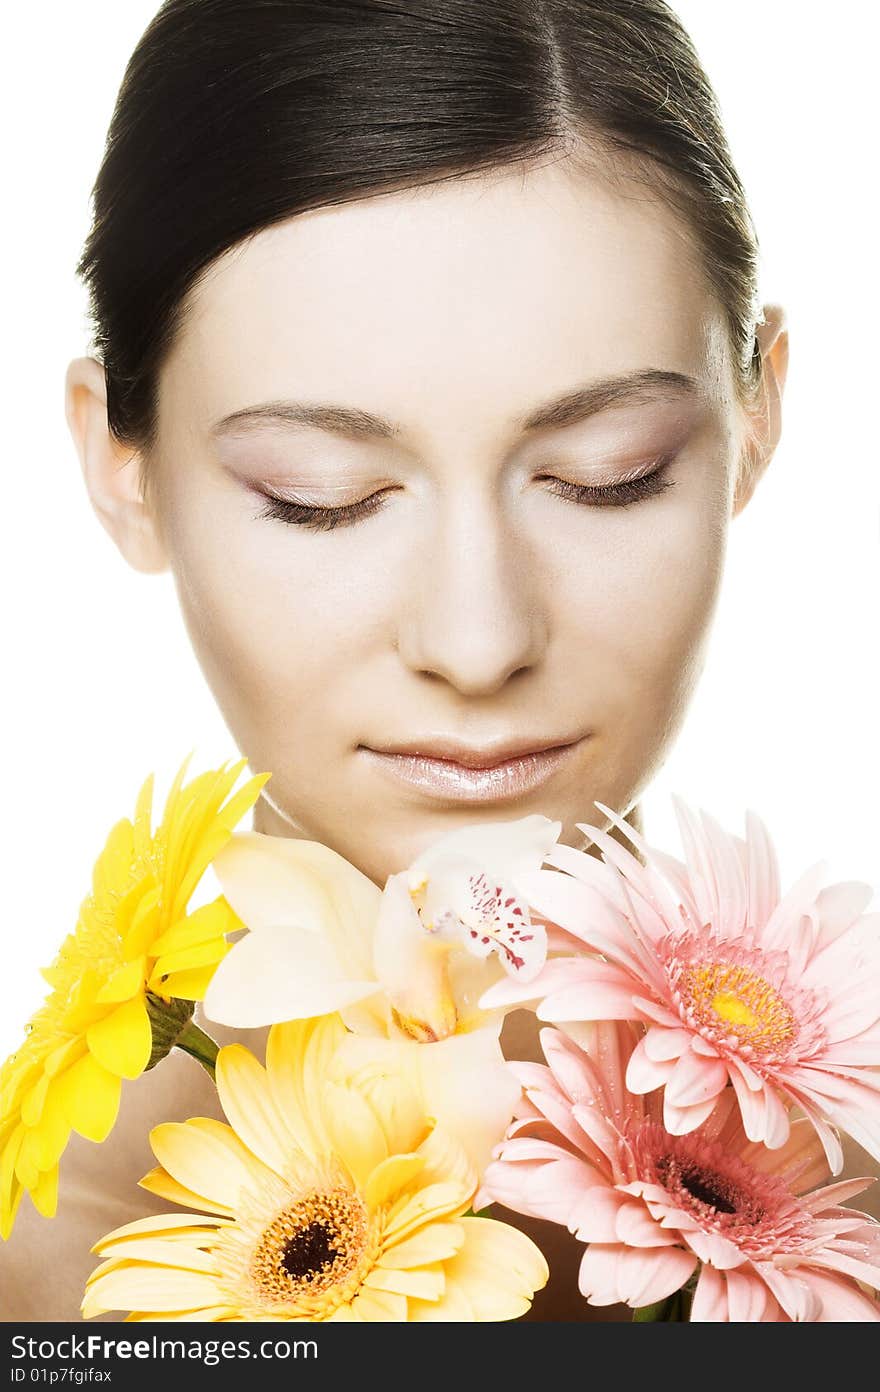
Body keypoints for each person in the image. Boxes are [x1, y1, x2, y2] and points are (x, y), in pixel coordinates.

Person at [2, 0, 795, 1320]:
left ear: (759, 411)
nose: (477, 645)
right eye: (322, 496)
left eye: (609, 478)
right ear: (116, 462)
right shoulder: (54, 1282)